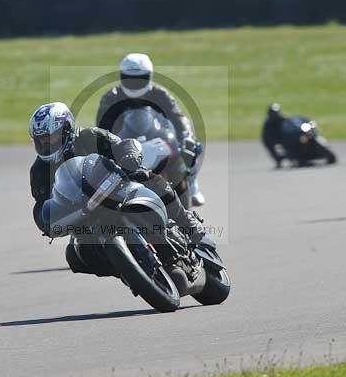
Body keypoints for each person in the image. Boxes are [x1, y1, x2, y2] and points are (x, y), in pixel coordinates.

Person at [28, 102, 212, 276]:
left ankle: (185, 220)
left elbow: (121, 144)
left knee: (145, 176)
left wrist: (129, 154)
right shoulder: (39, 172)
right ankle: (126, 270)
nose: (45, 145)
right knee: (75, 256)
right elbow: (43, 204)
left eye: (50, 138)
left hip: (116, 188)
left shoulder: (89, 136)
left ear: (66, 130)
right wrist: (45, 220)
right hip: (84, 214)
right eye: (40, 141)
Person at [96, 53, 206, 205]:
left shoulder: (160, 94)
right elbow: (102, 128)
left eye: (139, 80)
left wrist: (186, 136)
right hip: (124, 145)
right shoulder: (111, 97)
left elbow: (178, 117)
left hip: (157, 140)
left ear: (149, 77)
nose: (134, 84)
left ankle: (191, 184)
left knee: (192, 147)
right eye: (129, 79)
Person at [261, 103, 286, 168]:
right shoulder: (267, 123)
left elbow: (288, 123)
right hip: (272, 138)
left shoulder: (281, 118)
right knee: (267, 142)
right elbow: (265, 135)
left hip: (282, 136)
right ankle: (278, 159)